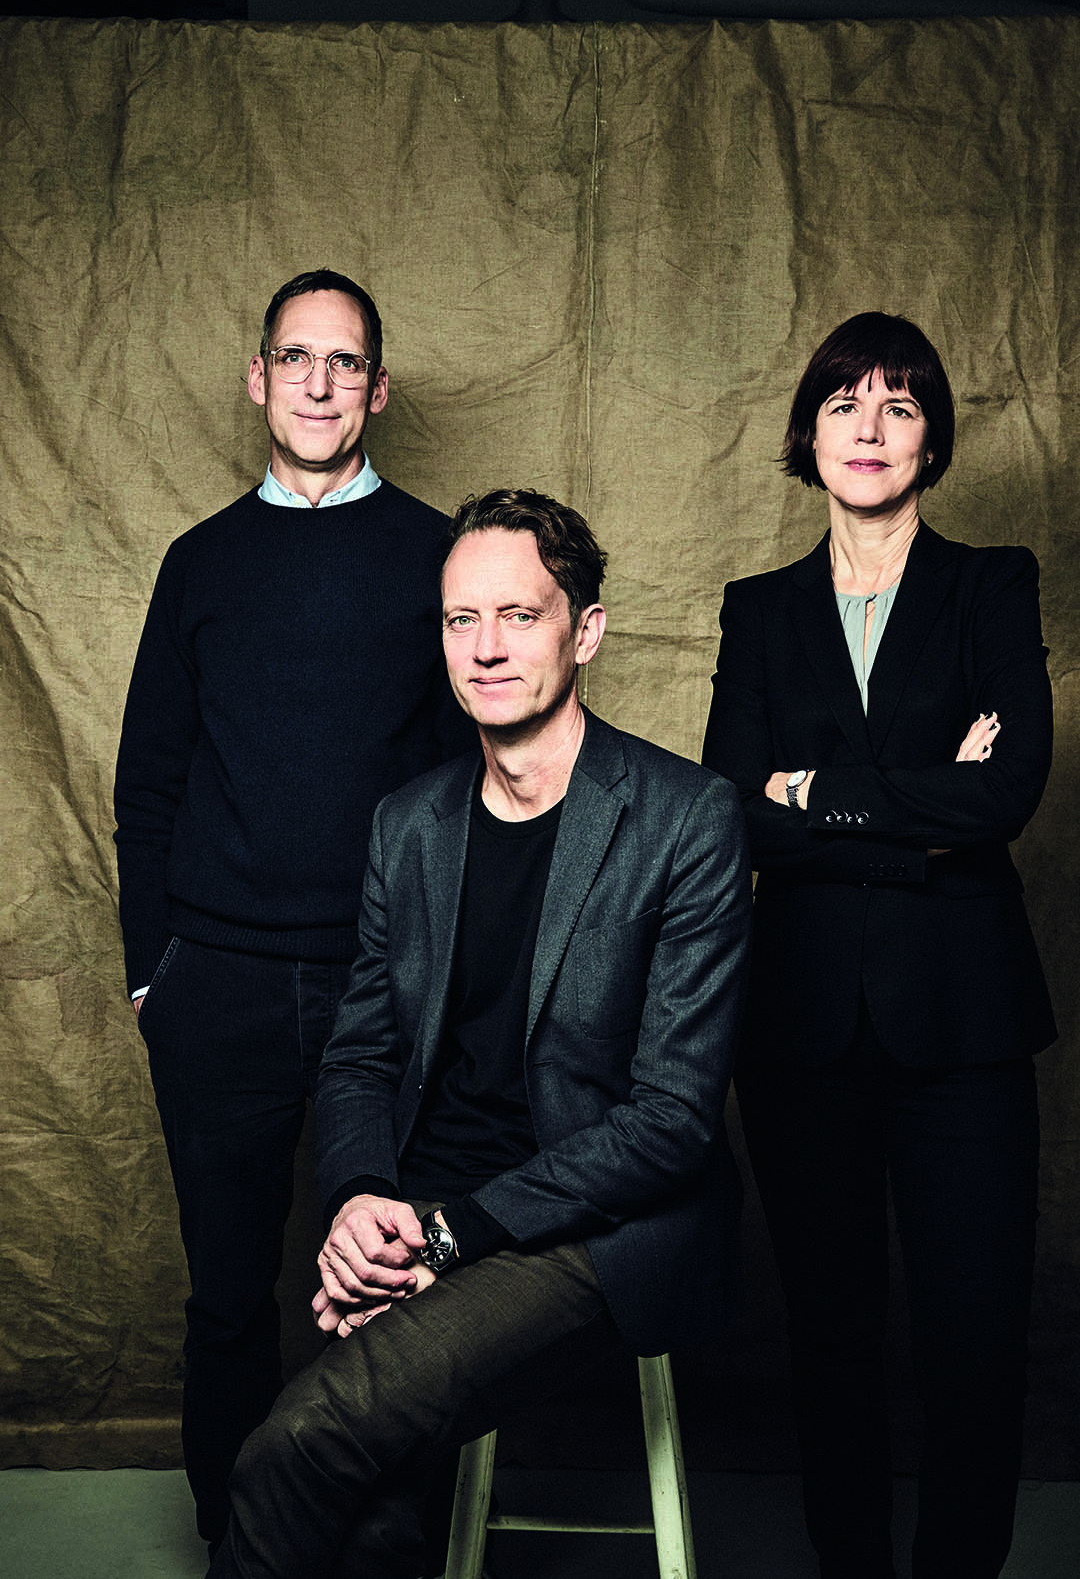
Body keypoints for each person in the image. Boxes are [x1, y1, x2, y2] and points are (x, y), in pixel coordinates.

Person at [206, 488, 752, 1579]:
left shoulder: (686, 818)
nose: (486, 647)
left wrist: (451, 1236)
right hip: (422, 1202)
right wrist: (363, 1202)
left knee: (297, 1448)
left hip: (590, 1223)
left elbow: (671, 1121)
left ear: (584, 632)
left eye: (519, 615)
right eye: (463, 619)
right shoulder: (408, 824)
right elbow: (360, 1054)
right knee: (369, 1517)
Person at [113, 269, 474, 1553]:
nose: (320, 383)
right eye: (296, 358)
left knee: (402, 1294)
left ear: (378, 388)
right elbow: (149, 782)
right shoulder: (201, 563)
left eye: (345, 361)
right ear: (259, 378)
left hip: (391, 981)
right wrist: (153, 973)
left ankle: (386, 1553)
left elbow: (476, 778)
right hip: (217, 981)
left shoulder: (439, 556)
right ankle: (241, 1544)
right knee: (229, 1298)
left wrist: (451, 970)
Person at [702, 312, 1056, 1579]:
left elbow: (1007, 790)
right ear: (809, 434)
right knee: (831, 1332)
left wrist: (814, 792)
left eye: (899, 405)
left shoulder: (991, 584)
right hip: (800, 1029)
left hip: (964, 1024)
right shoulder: (758, 610)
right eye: (845, 403)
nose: (869, 427)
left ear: (931, 441)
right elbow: (727, 809)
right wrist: (918, 806)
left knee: (975, 1338)